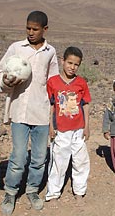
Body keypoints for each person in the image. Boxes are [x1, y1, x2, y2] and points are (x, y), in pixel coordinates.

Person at [0, 10, 59, 214]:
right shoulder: (16, 48)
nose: (30, 32)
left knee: (39, 157)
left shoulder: (50, 52)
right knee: (19, 157)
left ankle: (32, 190)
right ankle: (10, 192)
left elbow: (54, 81)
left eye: (35, 29)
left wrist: (56, 114)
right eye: (28, 28)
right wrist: (5, 81)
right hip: (19, 112)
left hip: (41, 112)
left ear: (45, 29)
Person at [45, 46, 91, 208]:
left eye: (76, 64)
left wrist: (87, 126)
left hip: (78, 128)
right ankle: (53, 193)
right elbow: (51, 106)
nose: (72, 67)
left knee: (81, 161)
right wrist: (50, 126)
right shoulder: (53, 82)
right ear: (62, 61)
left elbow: (85, 105)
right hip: (61, 130)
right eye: (69, 62)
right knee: (59, 161)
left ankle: (79, 191)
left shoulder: (81, 83)